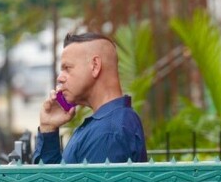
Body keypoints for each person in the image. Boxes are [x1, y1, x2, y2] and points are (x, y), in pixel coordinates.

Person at [32, 32, 147, 165]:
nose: (60, 78)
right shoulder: (105, 124)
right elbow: (57, 180)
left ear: (95, 65)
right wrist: (48, 127)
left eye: (67, 68)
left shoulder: (108, 133)